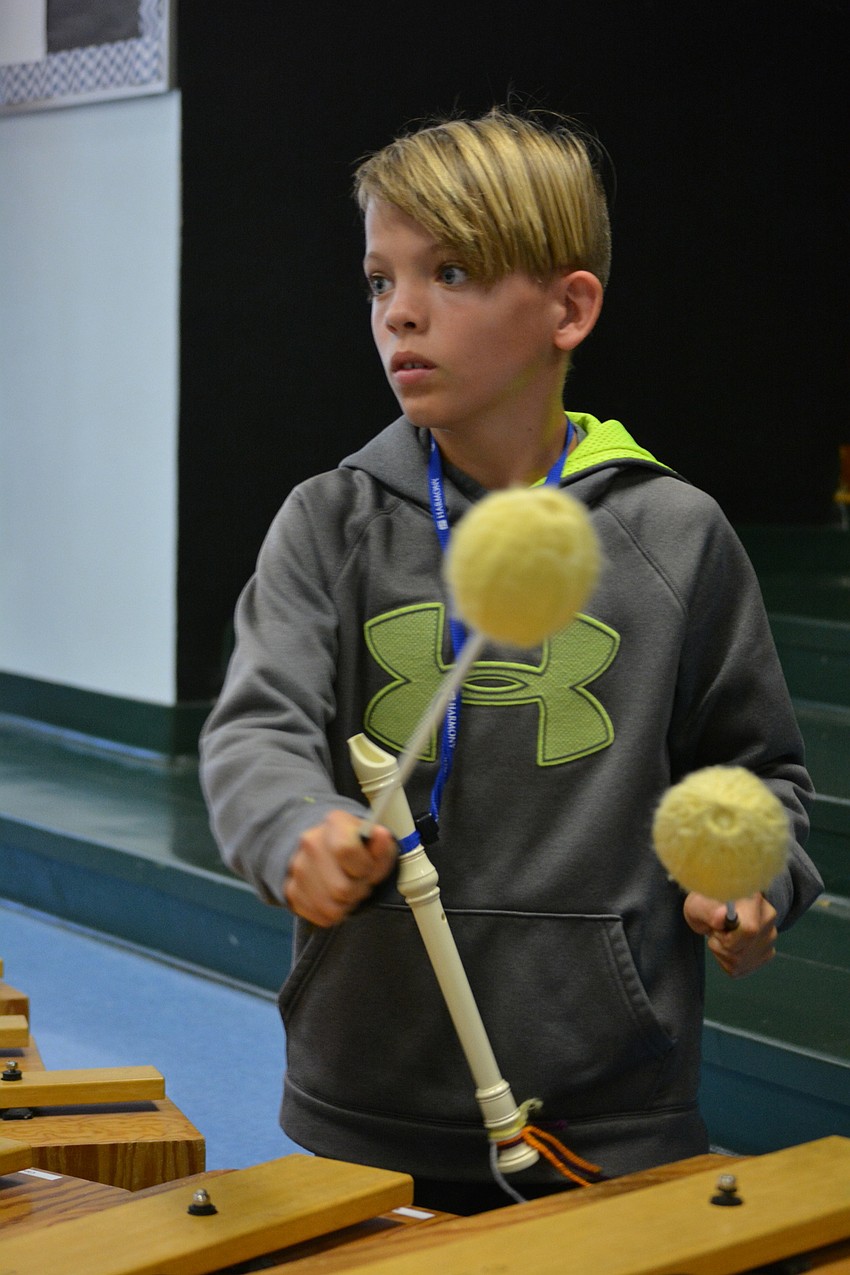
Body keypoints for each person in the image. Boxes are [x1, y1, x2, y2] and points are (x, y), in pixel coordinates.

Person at [200, 108, 823, 1215]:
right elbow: (256, 730)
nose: (400, 310)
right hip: (363, 1097)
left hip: (610, 1111)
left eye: (448, 271)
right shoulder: (326, 524)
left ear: (568, 308)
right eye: (377, 279)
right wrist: (290, 825)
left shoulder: (674, 535)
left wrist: (750, 885)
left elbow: (759, 774)